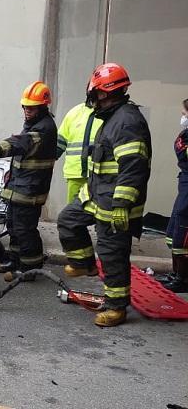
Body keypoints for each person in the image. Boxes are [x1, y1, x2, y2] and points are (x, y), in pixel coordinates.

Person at [57, 63, 152, 327]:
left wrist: (122, 203)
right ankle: (84, 263)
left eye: (96, 94)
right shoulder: (111, 119)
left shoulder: (127, 121)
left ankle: (116, 308)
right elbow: (102, 168)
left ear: (102, 93)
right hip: (97, 196)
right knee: (68, 219)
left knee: (112, 255)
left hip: (115, 205)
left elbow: (133, 166)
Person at [0, 81, 57, 278]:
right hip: (20, 187)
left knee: (25, 230)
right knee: (13, 226)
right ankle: (14, 261)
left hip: (30, 190)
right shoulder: (34, 124)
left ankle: (30, 267)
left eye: (31, 107)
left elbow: (21, 143)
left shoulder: (44, 128)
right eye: (25, 107)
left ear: (42, 106)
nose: (27, 111)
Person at [160, 98, 188, 293]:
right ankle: (176, 273)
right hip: (185, 184)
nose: (183, 117)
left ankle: (183, 278)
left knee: (182, 233)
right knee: (174, 231)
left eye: (185, 114)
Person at [56, 101, 102, 203]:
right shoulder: (74, 113)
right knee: (73, 214)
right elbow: (59, 142)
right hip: (75, 174)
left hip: (98, 173)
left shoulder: (108, 113)